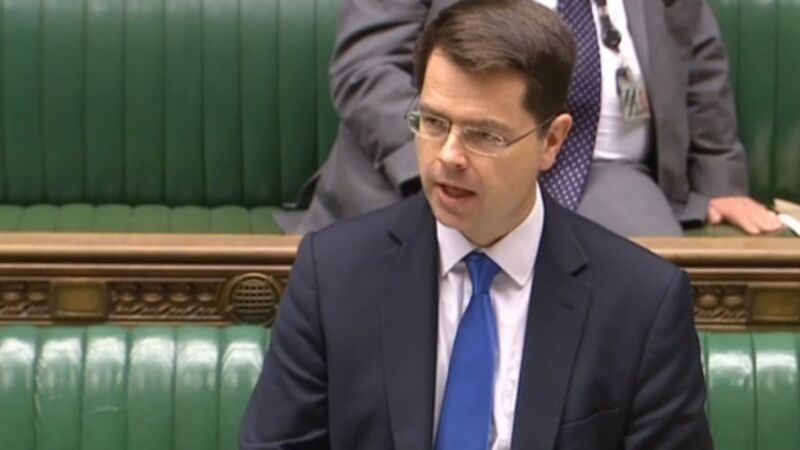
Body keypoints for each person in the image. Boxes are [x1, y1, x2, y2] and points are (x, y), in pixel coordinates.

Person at [241, 1, 712, 448]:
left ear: (552, 141)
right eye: (433, 122)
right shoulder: (332, 275)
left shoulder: (642, 304)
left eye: (485, 135)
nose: (449, 156)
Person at [284, 0, 783, 236]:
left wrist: (718, 182)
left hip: (609, 172)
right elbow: (367, 68)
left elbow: (698, 66)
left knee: (651, 306)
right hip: (437, 163)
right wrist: (441, 158)